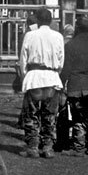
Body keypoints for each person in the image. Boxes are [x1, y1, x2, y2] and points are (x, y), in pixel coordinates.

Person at [17, 8, 64, 159]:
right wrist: (55, 72)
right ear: (50, 21)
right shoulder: (58, 36)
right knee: (50, 114)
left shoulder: (30, 36)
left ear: (37, 20)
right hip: (52, 76)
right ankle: (48, 147)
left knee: (32, 114)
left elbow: (23, 59)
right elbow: (61, 60)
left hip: (34, 77)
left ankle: (32, 147)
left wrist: (26, 76)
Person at [60, 16, 88, 156]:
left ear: (77, 27)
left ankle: (79, 148)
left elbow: (66, 69)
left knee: (78, 118)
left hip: (76, 86)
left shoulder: (70, 45)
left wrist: (62, 85)